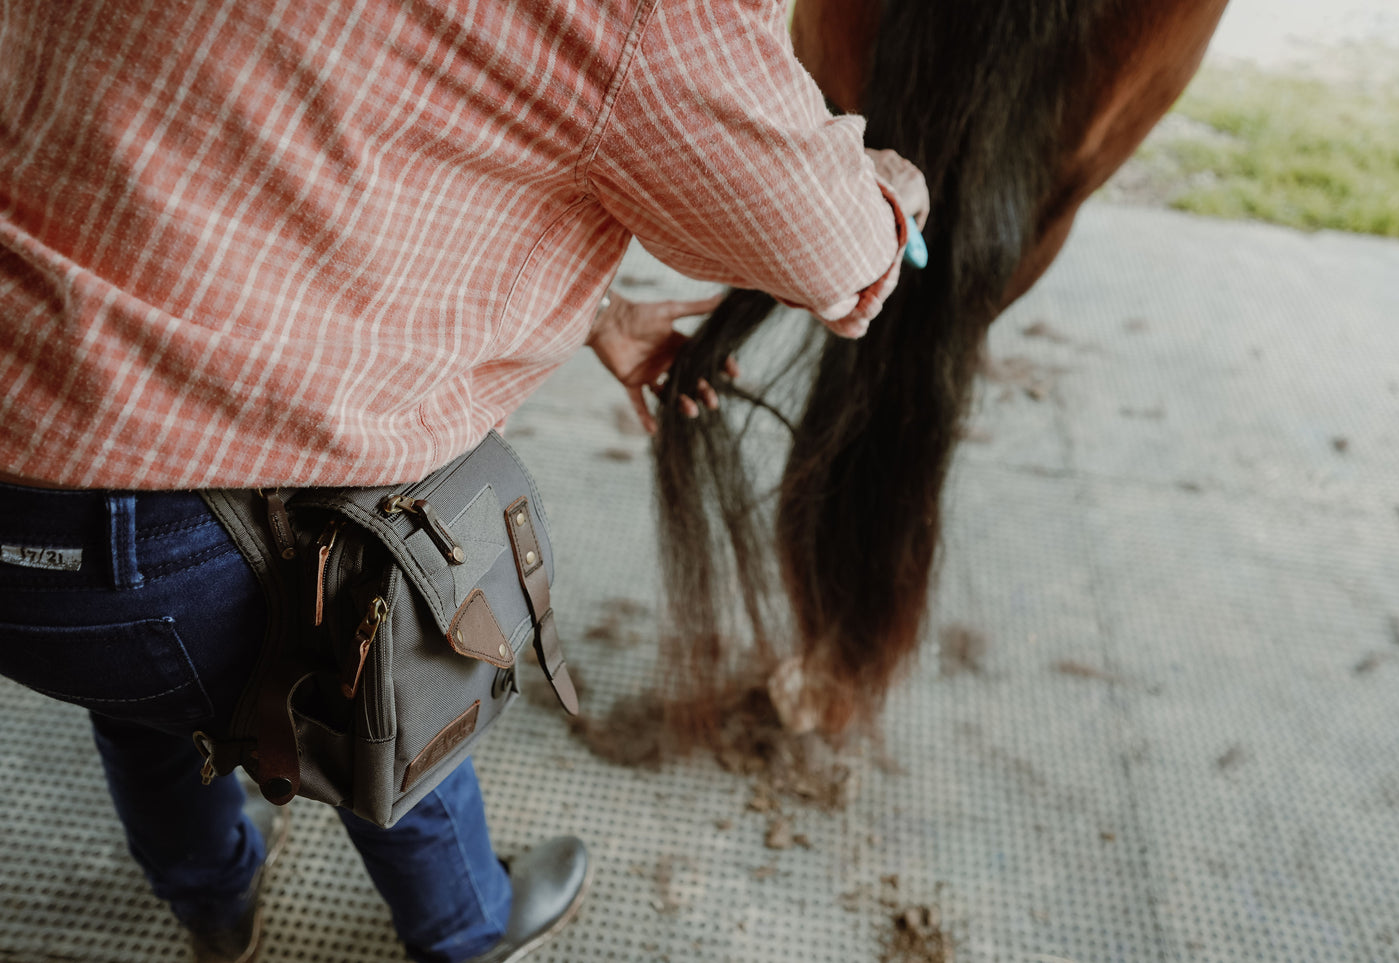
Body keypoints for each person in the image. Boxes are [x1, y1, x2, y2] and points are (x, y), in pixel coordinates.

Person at [0, 1, 928, 961]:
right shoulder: (652, 18)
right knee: (382, 640)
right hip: (181, 555)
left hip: (35, 531)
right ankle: (466, 924)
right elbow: (835, 253)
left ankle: (213, 897)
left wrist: (598, 312)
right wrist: (897, 192)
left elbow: (306, 135)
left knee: (141, 676)